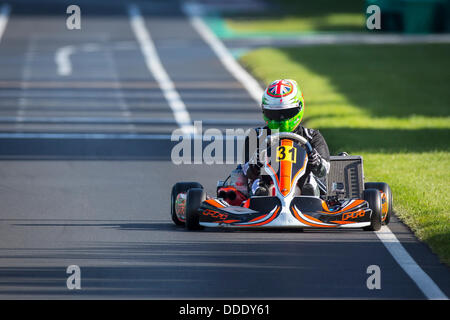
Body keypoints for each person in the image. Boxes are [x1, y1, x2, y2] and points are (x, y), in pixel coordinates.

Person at [241, 79, 330, 197]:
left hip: (302, 190)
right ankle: (262, 197)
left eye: (287, 113)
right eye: (274, 114)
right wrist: (255, 164)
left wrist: (316, 161)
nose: (281, 119)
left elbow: (324, 170)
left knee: (310, 183)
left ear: (299, 107)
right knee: (258, 185)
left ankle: (309, 198)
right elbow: (246, 171)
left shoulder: (312, 136)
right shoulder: (256, 136)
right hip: (267, 190)